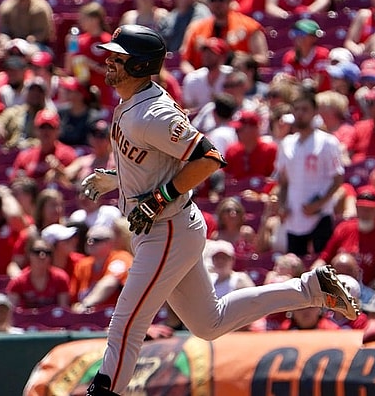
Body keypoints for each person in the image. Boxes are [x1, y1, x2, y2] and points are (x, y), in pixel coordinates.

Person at [77, 25, 359, 396]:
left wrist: (160, 198)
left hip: (168, 228)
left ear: (141, 65)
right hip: (163, 227)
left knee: (126, 324)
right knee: (209, 323)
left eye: (118, 58)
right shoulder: (132, 101)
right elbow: (159, 163)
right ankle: (310, 289)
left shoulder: (154, 113)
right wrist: (117, 179)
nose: (109, 62)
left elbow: (209, 157)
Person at [275, 86, 345, 257]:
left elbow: (337, 180)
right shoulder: (287, 144)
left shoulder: (327, 142)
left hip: (320, 216)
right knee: (295, 266)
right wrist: (282, 204)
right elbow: (283, 181)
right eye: (296, 109)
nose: (300, 113)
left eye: (305, 109)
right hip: (294, 216)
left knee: (321, 268)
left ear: (315, 112)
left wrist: (318, 204)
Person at [311, 185, 375, 289]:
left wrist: (367, 293)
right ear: (356, 207)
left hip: (367, 290)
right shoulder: (344, 229)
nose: (365, 213)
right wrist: (313, 274)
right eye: (362, 208)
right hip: (335, 286)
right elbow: (325, 257)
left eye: (369, 209)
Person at [70, 224, 132, 312]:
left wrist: (86, 304)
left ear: (110, 243)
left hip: (113, 317)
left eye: (96, 240)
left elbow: (110, 283)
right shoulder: (82, 265)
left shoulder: (121, 257)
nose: (90, 242)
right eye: (87, 238)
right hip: (88, 319)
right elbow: (73, 301)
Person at [5, 237, 71, 309]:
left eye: (47, 252)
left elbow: (64, 310)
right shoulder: (18, 281)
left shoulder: (60, 279)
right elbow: (11, 312)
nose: (42, 256)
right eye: (37, 252)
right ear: (29, 254)